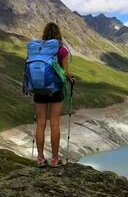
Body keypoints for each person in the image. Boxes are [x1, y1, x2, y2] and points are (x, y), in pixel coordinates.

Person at [34, 22, 74, 167]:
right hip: (56, 89)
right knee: (55, 123)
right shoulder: (61, 50)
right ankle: (55, 159)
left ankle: (40, 158)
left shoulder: (38, 49)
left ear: (44, 33)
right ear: (58, 34)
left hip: (39, 88)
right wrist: (70, 78)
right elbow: (64, 72)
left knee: (40, 123)